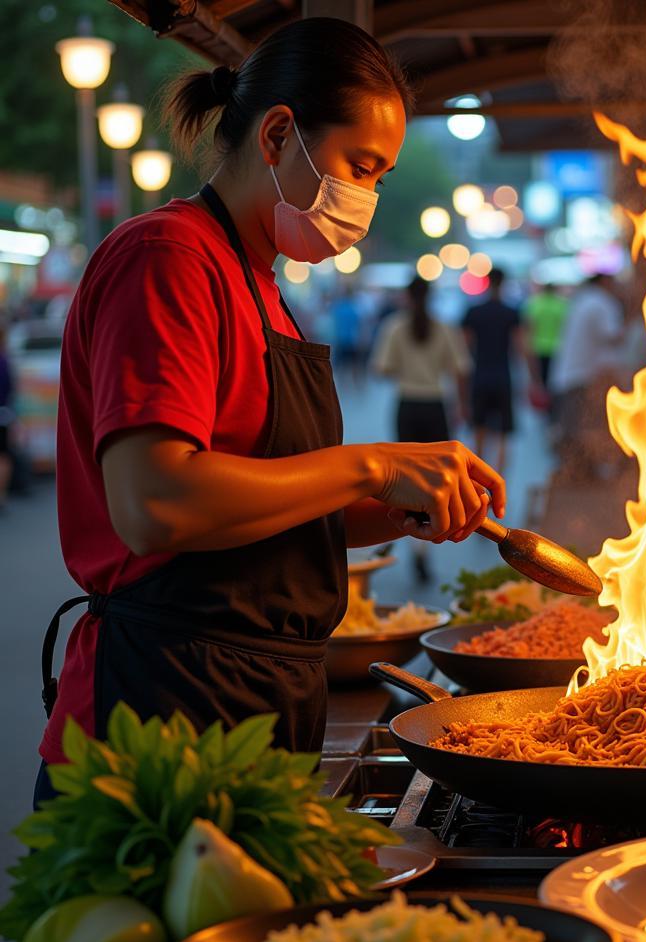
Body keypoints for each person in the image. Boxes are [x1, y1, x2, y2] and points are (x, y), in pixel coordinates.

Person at [36, 18, 505, 809]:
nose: (368, 196)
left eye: (382, 177)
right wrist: (378, 464)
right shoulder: (170, 258)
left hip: (253, 707)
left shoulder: (265, 292)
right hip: (154, 717)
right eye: (362, 166)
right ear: (281, 132)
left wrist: (402, 508)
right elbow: (156, 503)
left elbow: (272, 502)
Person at [372, 275, 470, 582]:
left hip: (407, 406)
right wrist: (462, 405)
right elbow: (460, 369)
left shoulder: (395, 328)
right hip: (436, 406)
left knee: (409, 480)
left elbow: (382, 368)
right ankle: (432, 539)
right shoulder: (444, 328)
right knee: (436, 482)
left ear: (406, 296)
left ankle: (413, 546)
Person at [461, 268, 539, 475]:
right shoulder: (511, 313)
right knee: (505, 434)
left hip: (479, 377)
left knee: (479, 432)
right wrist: (534, 380)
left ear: (487, 281)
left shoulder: (474, 312)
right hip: (503, 378)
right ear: (504, 283)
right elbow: (522, 347)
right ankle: (498, 482)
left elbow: (464, 349)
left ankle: (478, 481)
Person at [550, 273, 625, 477]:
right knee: (581, 427)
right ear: (604, 282)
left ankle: (576, 471)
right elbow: (613, 336)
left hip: (571, 374)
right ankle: (578, 472)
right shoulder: (601, 302)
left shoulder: (583, 300)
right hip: (582, 375)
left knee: (572, 426)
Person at [522, 282, 567, 389]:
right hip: (558, 348)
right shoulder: (562, 305)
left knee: (541, 381)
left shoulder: (534, 305)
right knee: (556, 382)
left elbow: (529, 327)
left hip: (538, 347)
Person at [0, 319, 14, 510]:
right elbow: (11, 388)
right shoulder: (4, 360)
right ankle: (1, 496)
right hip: (3, 413)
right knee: (3, 456)